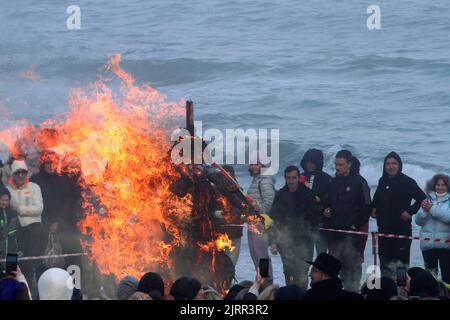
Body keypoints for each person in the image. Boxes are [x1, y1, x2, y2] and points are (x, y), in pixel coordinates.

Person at [372, 152, 427, 278]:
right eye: (388, 164)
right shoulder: (382, 181)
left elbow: (423, 198)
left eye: (394, 163)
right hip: (383, 232)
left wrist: (410, 211)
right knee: (385, 267)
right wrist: (374, 209)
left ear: (399, 165)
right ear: (384, 166)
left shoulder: (407, 181)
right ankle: (387, 293)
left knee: (401, 269)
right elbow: (376, 200)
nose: (391, 167)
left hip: (401, 232)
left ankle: (401, 294)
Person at [324, 150, 371, 292]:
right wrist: (326, 210)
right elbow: (328, 202)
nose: (337, 167)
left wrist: (356, 224)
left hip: (353, 232)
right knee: (336, 266)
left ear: (349, 164)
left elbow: (368, 206)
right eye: (336, 164)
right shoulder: (333, 181)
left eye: (341, 164)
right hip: (335, 230)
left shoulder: (360, 181)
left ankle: (354, 293)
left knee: (353, 266)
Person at [269, 165, 319, 290]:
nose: (291, 181)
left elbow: (315, 219)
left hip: (304, 242)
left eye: (294, 178)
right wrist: (273, 242)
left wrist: (311, 235)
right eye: (288, 178)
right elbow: (273, 220)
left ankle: (302, 296)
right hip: (285, 242)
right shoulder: (280, 195)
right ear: (285, 178)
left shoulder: (308, 195)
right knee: (289, 274)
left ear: (298, 178)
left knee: (302, 275)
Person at [7, 160, 44, 292]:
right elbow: (7, 208)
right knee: (11, 263)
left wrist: (20, 210)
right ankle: (10, 291)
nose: (21, 175)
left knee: (28, 264)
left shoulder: (34, 187)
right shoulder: (7, 189)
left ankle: (27, 292)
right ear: (13, 174)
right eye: (18, 172)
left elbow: (39, 209)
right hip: (13, 232)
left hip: (33, 229)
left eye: (24, 172)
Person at [415, 173, 450, 283]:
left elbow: (448, 218)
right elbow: (418, 221)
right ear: (433, 186)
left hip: (446, 245)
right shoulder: (428, 199)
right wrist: (424, 211)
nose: (440, 187)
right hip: (428, 244)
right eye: (438, 185)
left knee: (447, 278)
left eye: (443, 185)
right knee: (430, 278)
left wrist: (432, 209)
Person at [300, 148, 332, 255]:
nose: (309, 165)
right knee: (305, 257)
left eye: (312, 162)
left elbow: (331, 201)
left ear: (318, 163)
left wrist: (319, 201)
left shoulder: (327, 179)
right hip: (305, 223)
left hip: (321, 224)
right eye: (307, 162)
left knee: (321, 255)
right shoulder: (301, 177)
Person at [246, 157, 276, 272]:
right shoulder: (257, 179)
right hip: (253, 223)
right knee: (255, 254)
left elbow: (268, 202)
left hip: (260, 223)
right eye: (252, 164)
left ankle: (266, 280)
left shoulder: (265, 180)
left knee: (261, 255)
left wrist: (259, 212)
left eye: (257, 164)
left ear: (263, 166)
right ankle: (261, 279)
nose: (253, 166)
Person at [0, 187, 19, 258]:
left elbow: (17, 230)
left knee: (11, 268)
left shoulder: (13, 213)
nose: (5, 202)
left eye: (7, 200)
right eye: (2, 200)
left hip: (12, 248)